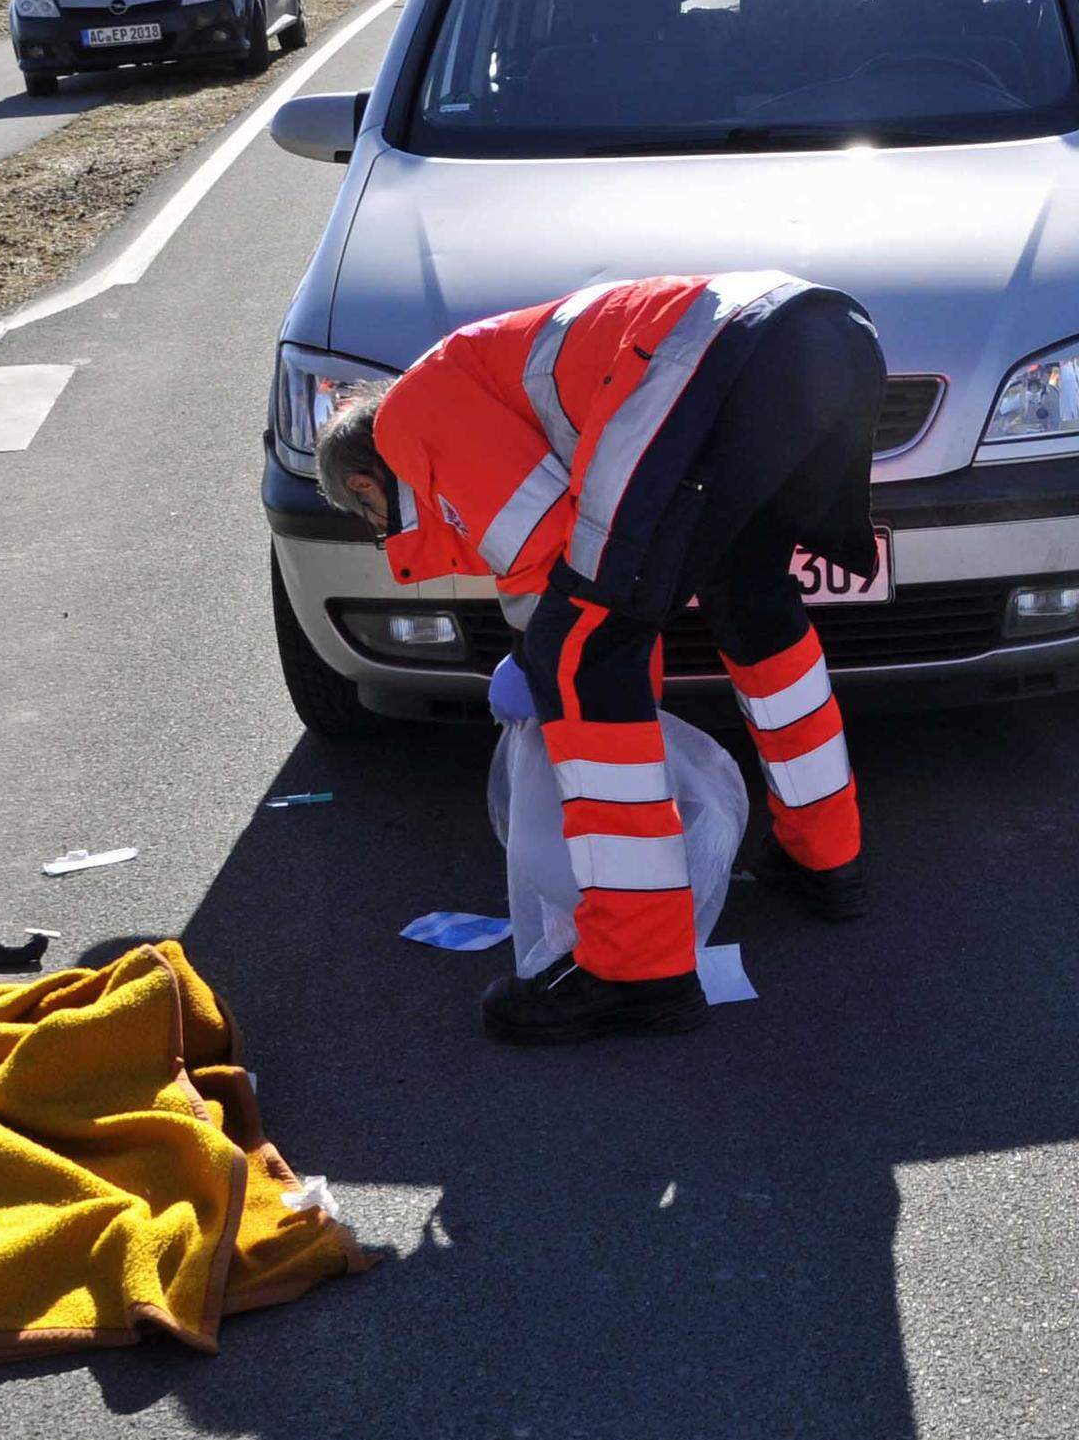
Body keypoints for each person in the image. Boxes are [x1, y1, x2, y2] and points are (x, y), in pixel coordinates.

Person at [313, 272, 885, 1046]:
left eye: (375, 519)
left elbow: (547, 546)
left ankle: (637, 969)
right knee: (752, 605)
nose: (389, 534)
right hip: (819, 336)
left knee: (581, 659)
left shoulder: (413, 412)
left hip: (712, 362)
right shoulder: (479, 371)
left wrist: (547, 670)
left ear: (361, 483)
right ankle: (826, 858)